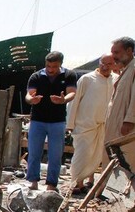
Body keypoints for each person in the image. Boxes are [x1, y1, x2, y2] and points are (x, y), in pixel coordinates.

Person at [25, 51, 77, 191]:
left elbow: (72, 92)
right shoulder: (36, 76)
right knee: (34, 152)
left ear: (60, 64)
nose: (50, 69)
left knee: (55, 154)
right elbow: (28, 95)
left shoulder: (69, 75)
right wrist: (31, 100)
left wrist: (64, 100)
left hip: (57, 121)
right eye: (48, 66)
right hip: (37, 120)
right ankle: (33, 181)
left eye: (54, 67)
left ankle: (51, 184)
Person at [66, 53, 116, 194]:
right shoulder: (87, 79)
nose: (105, 67)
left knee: (96, 155)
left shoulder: (115, 79)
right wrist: (70, 124)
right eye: (103, 63)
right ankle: (76, 184)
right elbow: (74, 101)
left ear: (114, 65)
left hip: (104, 126)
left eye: (109, 64)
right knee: (82, 154)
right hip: (85, 125)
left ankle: (88, 182)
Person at [105, 36, 135, 168]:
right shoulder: (126, 70)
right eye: (112, 53)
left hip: (127, 129)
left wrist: (130, 120)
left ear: (129, 50)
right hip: (116, 126)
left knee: (127, 164)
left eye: (116, 52)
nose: (114, 56)